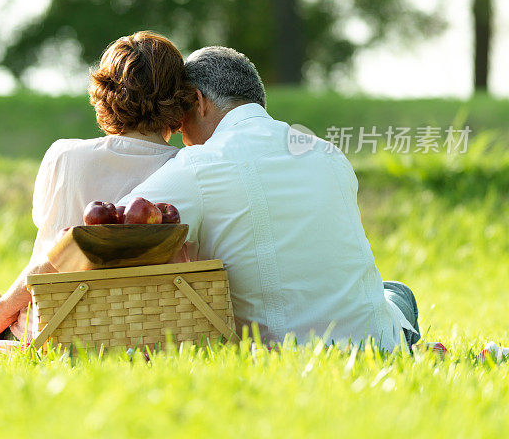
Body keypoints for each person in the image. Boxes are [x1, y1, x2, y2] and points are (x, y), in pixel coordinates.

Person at [117, 46, 420, 351]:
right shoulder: (329, 153)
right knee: (396, 292)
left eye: (180, 115)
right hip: (378, 342)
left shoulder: (198, 165)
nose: (180, 131)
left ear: (198, 101)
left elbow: (112, 225)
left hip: (288, 349)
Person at [0, 31, 196, 340]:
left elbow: (46, 237)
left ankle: (1, 325)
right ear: (181, 99)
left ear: (105, 93)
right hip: (147, 326)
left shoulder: (64, 155)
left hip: (56, 328)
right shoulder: (191, 168)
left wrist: (3, 310)